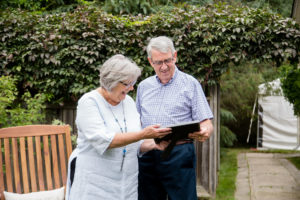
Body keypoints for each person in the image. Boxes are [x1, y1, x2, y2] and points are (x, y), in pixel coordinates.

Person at [67, 54, 171, 200]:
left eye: (133, 82)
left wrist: (154, 144)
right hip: (95, 184)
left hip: (126, 184)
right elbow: (104, 140)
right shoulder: (89, 102)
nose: (132, 87)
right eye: (128, 83)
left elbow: (135, 141)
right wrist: (143, 134)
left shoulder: (128, 102)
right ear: (112, 81)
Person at [136, 36, 214, 200]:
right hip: (148, 155)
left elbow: (206, 121)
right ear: (151, 62)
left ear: (175, 56)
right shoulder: (143, 87)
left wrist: (205, 131)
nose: (164, 67)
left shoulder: (190, 84)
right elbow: (137, 123)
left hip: (179, 153)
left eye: (167, 61)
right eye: (158, 62)